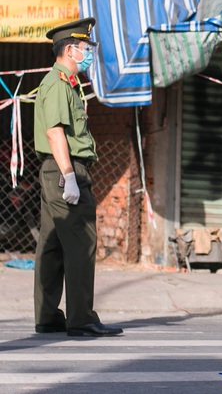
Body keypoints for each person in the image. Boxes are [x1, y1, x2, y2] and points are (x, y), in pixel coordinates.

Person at [33, 17, 123, 337]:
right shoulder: (58, 83)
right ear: (70, 50)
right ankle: (81, 317)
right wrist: (70, 176)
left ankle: (47, 316)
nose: (89, 53)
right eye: (86, 48)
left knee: (53, 244)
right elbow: (55, 131)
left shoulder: (64, 83)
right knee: (81, 241)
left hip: (54, 170)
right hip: (64, 169)